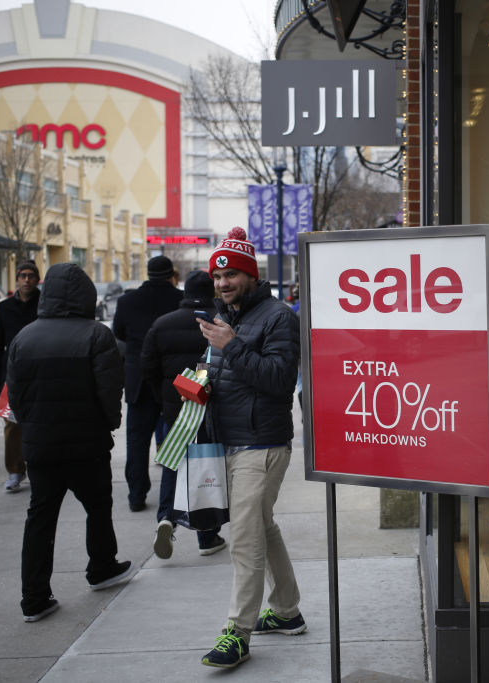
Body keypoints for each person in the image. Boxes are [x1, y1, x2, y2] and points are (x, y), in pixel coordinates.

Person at [196, 227, 305, 670]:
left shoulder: (279, 317)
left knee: (244, 537)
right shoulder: (228, 317)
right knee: (263, 527)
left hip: (262, 443)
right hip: (232, 440)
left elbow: (280, 379)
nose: (223, 283)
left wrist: (231, 346)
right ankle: (286, 611)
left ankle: (237, 633)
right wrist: (199, 385)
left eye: (231, 275)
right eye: (217, 276)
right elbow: (230, 373)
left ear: (251, 275)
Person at [7, 262, 137, 623]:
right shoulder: (96, 335)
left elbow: (15, 397)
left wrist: (32, 426)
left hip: (41, 446)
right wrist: (111, 423)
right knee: (97, 506)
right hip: (87, 443)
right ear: (85, 294)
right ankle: (102, 567)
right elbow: (109, 391)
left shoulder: (24, 337)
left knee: (40, 516)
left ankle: (34, 597)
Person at [141, 269, 226, 558]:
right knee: (208, 468)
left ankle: (166, 517)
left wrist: (164, 399)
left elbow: (148, 368)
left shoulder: (162, 324)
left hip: (176, 409)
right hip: (214, 410)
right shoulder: (223, 323)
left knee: (172, 463)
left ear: (185, 291)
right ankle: (207, 535)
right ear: (213, 291)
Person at [113, 255, 183, 511]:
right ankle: (172, 492)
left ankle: (136, 493)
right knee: (175, 438)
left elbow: (118, 332)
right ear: (170, 274)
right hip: (170, 381)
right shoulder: (179, 300)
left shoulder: (127, 301)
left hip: (139, 380)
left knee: (137, 440)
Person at [0, 260, 41, 492]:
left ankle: (39, 468)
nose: (26, 280)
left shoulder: (44, 305)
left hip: (40, 374)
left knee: (39, 424)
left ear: (37, 279)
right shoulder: (5, 308)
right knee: (12, 425)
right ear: (16, 279)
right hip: (12, 376)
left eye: (31, 276)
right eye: (22, 276)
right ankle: (15, 470)